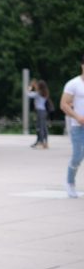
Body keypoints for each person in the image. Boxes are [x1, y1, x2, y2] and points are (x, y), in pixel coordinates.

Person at [60, 54, 84, 199]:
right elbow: (63, 104)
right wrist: (77, 117)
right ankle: (70, 182)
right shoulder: (73, 84)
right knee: (77, 156)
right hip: (78, 126)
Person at [28, 79, 52, 150]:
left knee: (40, 127)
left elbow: (29, 95)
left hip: (40, 111)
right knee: (44, 127)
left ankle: (41, 142)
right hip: (44, 111)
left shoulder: (39, 93)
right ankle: (45, 143)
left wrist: (30, 88)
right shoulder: (44, 92)